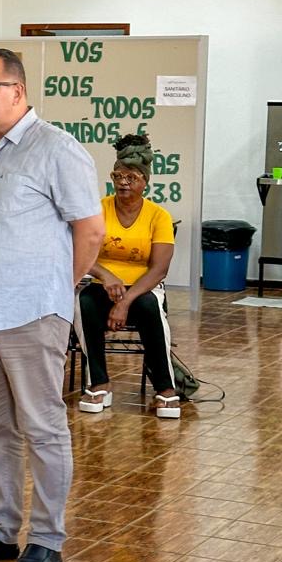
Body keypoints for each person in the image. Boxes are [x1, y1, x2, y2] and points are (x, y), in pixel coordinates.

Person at [0, 49, 104, 562]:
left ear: (18, 91)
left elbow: (91, 232)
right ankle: (0, 529)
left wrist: (57, 290)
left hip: (31, 312)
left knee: (42, 427)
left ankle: (47, 539)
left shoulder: (57, 149)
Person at [75, 133, 179, 418]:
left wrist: (125, 302)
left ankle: (165, 389)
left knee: (149, 306)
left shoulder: (158, 216)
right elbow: (80, 251)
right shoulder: (98, 209)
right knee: (84, 302)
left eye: (131, 177)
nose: (123, 182)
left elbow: (159, 269)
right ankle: (98, 383)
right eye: (118, 176)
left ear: (145, 182)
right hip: (102, 285)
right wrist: (106, 275)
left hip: (143, 288)